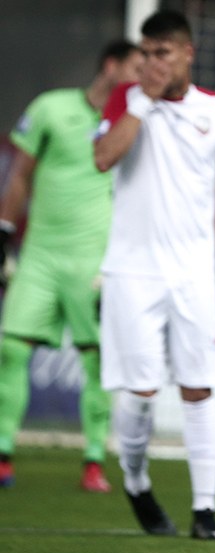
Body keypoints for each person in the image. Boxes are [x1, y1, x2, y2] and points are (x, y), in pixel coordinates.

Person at [93, 9, 215, 540]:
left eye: (162, 53)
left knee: (200, 386)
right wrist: (141, 101)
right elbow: (103, 157)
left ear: (187, 53)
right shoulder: (126, 100)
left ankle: (205, 511)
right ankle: (136, 481)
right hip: (132, 274)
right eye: (145, 53)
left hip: (193, 276)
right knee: (140, 394)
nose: (152, 62)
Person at [0, 40, 143, 491]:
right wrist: (4, 230)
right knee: (11, 350)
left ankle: (94, 460)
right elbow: (21, 174)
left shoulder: (133, 122)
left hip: (94, 260)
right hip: (40, 254)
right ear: (111, 65)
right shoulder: (50, 108)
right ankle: (3, 453)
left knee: (97, 361)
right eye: (136, 67)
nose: (142, 77)